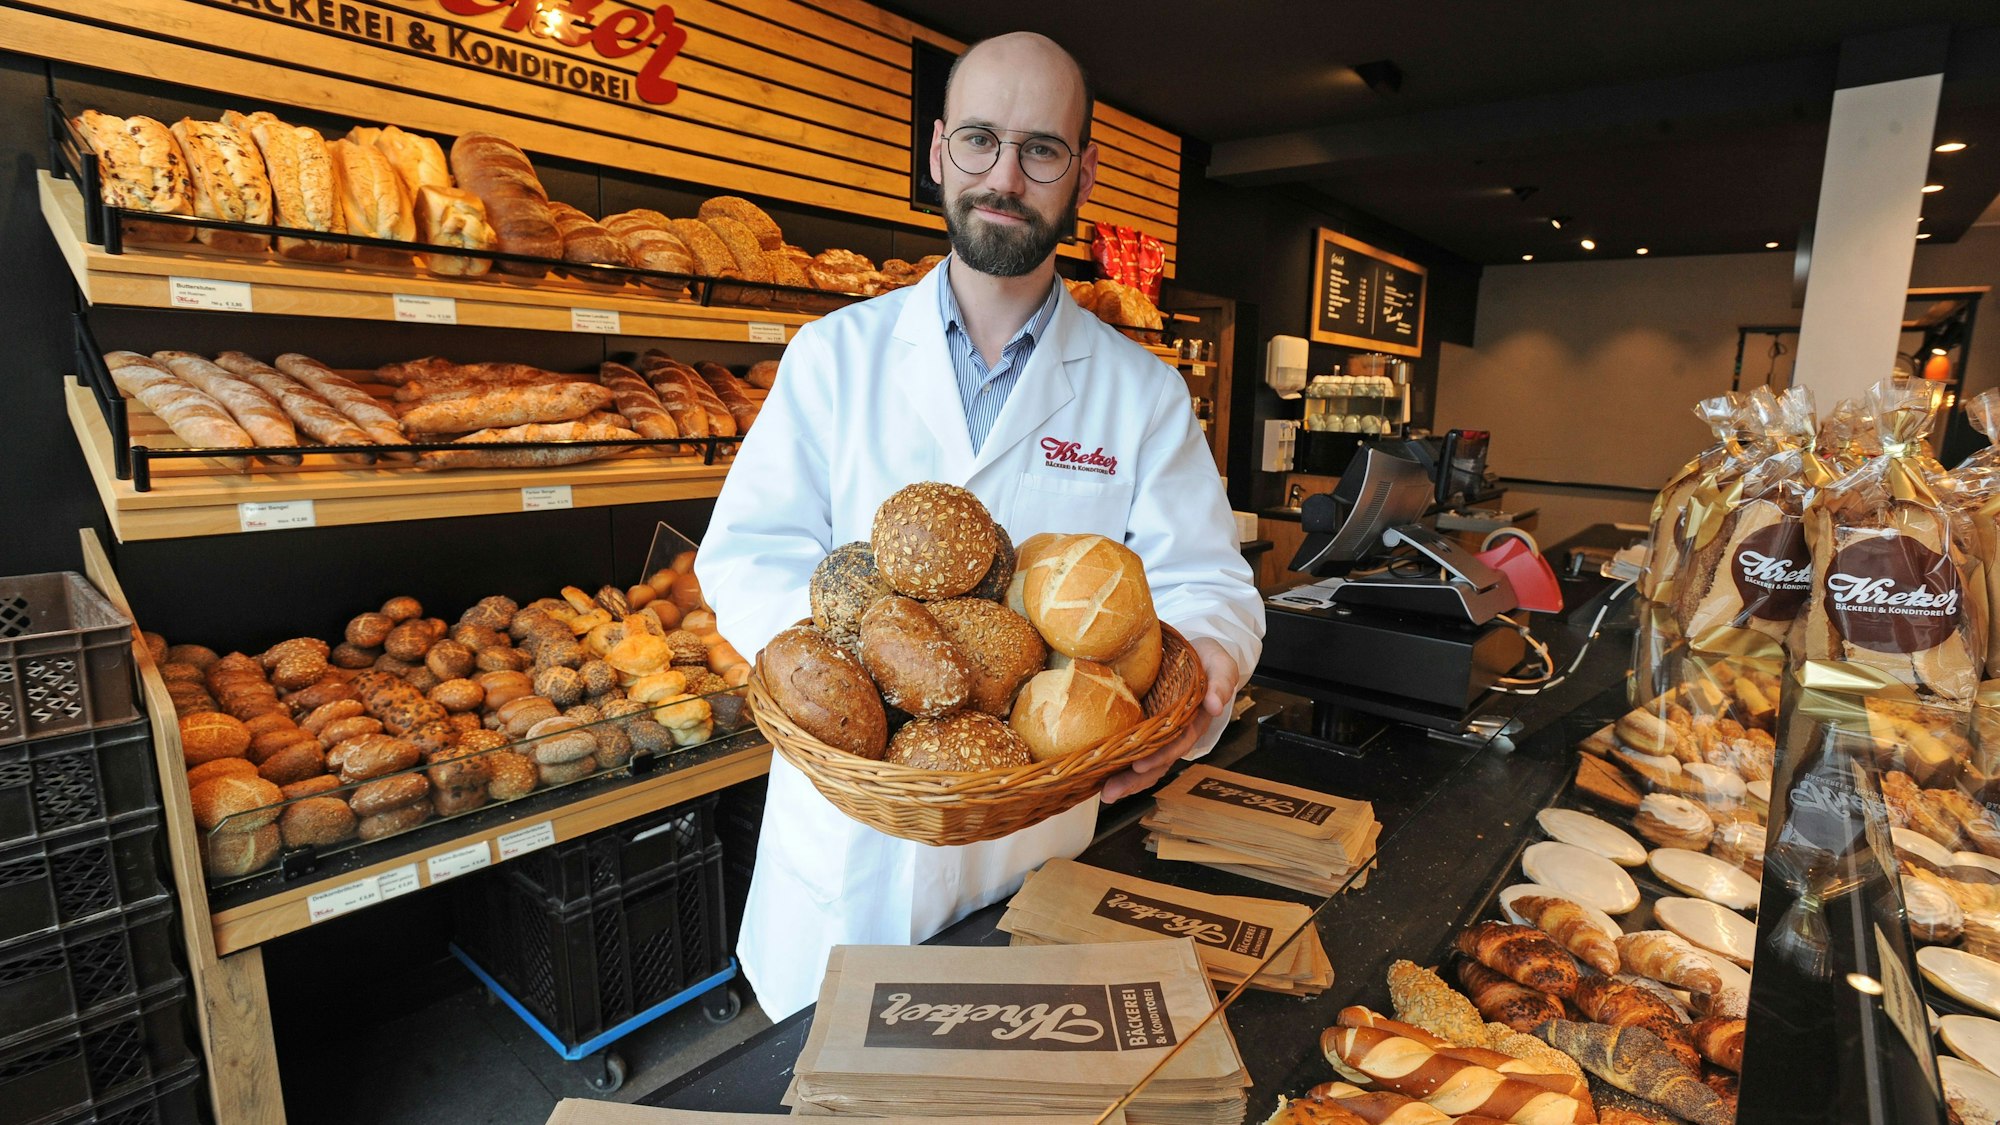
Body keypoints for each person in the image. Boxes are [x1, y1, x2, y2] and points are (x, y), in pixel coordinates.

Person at [696, 31, 1263, 1020]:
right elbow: (746, 550)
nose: (1005, 176)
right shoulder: (834, 355)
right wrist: (875, 676)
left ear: (1081, 170)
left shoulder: (1142, 393)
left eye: (1040, 149)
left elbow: (1206, 586)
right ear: (935, 153)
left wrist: (1201, 680)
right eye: (978, 141)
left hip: (1029, 853)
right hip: (845, 853)